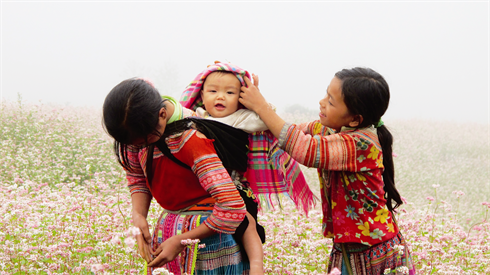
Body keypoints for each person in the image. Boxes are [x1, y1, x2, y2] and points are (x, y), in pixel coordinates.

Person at [239, 67, 416, 275]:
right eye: (326, 95)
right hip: (348, 248)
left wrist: (262, 107)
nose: (322, 102)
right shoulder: (331, 129)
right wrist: (256, 107)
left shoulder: (360, 144)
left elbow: (304, 149)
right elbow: (287, 132)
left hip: (374, 253)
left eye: (331, 102)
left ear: (355, 120)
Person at [102, 78, 251, 274]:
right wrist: (138, 216)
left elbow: (232, 207)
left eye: (143, 142)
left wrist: (183, 240)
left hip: (210, 243)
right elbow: (137, 176)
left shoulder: (191, 140)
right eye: (133, 145)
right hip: (170, 236)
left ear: (162, 114)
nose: (137, 148)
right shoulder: (136, 134)